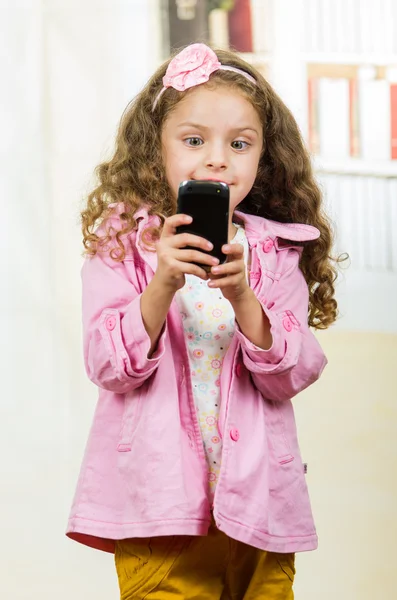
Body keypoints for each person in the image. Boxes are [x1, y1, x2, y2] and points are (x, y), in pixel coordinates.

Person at [66, 43, 338, 599]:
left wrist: (243, 297)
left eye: (239, 144)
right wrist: (162, 281)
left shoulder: (276, 252)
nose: (218, 159)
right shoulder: (122, 245)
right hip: (159, 508)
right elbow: (107, 365)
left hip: (259, 507)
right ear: (155, 150)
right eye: (194, 140)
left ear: (264, 157)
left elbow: (292, 374)